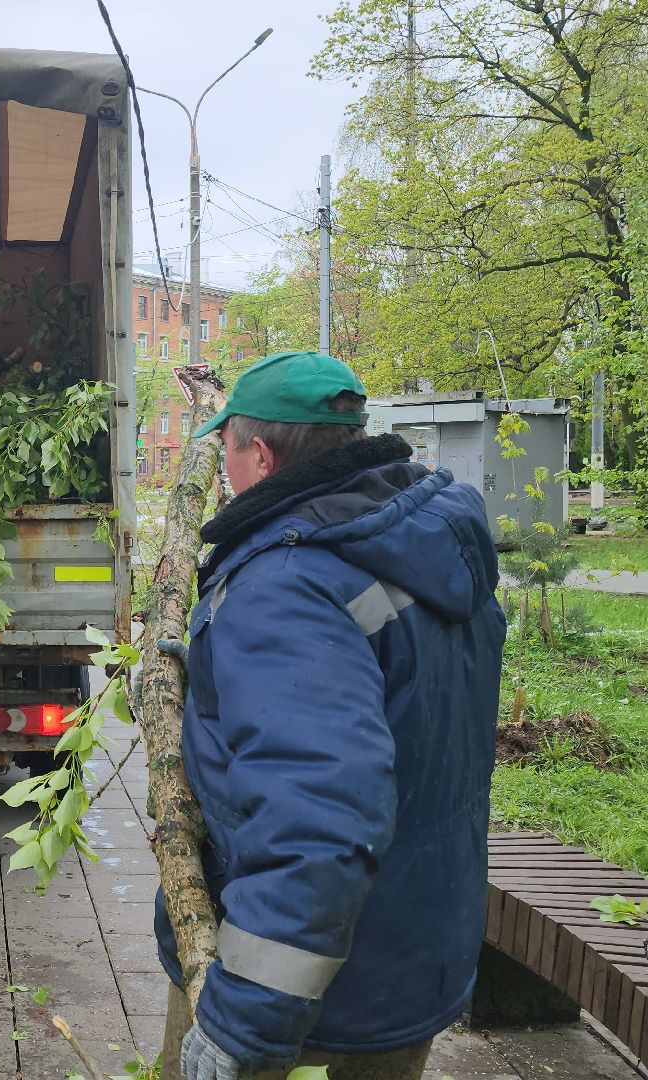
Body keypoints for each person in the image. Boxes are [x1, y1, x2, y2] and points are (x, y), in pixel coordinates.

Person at [155, 351, 505, 1080]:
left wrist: (244, 1020)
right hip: (414, 958)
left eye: (227, 451)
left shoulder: (287, 582)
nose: (224, 468)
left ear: (259, 454)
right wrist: (217, 679)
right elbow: (395, 699)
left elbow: (317, 812)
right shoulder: (423, 543)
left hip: (305, 995)